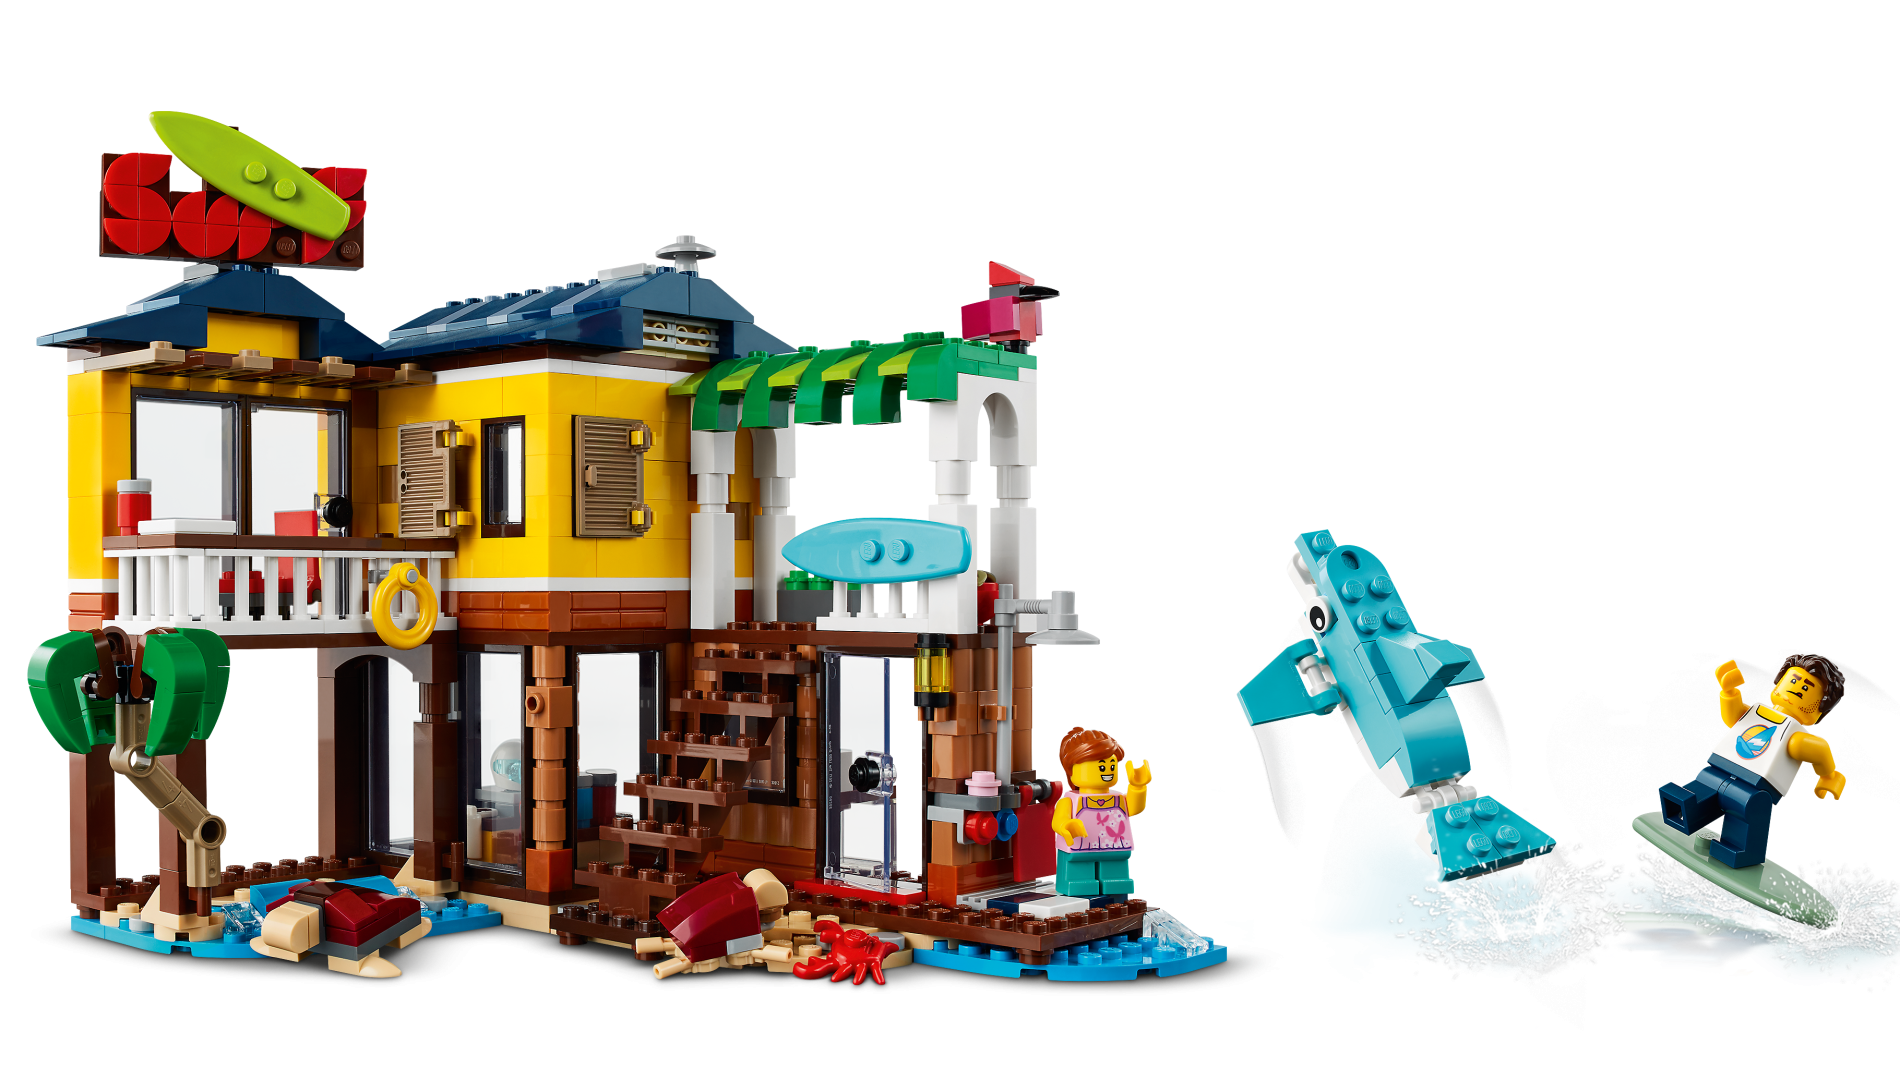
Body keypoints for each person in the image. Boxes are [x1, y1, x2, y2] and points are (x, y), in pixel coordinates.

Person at [1658, 654, 1848, 868]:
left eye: (1806, 688)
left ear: (1820, 707)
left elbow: (1821, 750)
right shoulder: (1754, 712)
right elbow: (1732, 716)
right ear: (1778, 685)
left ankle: (1740, 850)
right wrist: (1729, 692)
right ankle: (1683, 811)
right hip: (1717, 769)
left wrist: (1830, 776)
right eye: (1793, 681)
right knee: (1700, 792)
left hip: (1755, 789)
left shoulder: (1797, 737)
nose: (1796, 689)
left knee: (1747, 811)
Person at [1051, 726, 1152, 898]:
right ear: (1072, 771)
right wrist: (1065, 825)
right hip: (1080, 847)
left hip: (1115, 846)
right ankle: (1078, 890)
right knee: (1079, 876)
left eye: (1112, 765)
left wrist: (1138, 787)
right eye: (1101, 767)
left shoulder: (1119, 798)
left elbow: (1135, 808)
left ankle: (1116, 888)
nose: (1108, 771)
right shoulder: (1070, 800)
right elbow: (1058, 821)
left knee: (1115, 874)